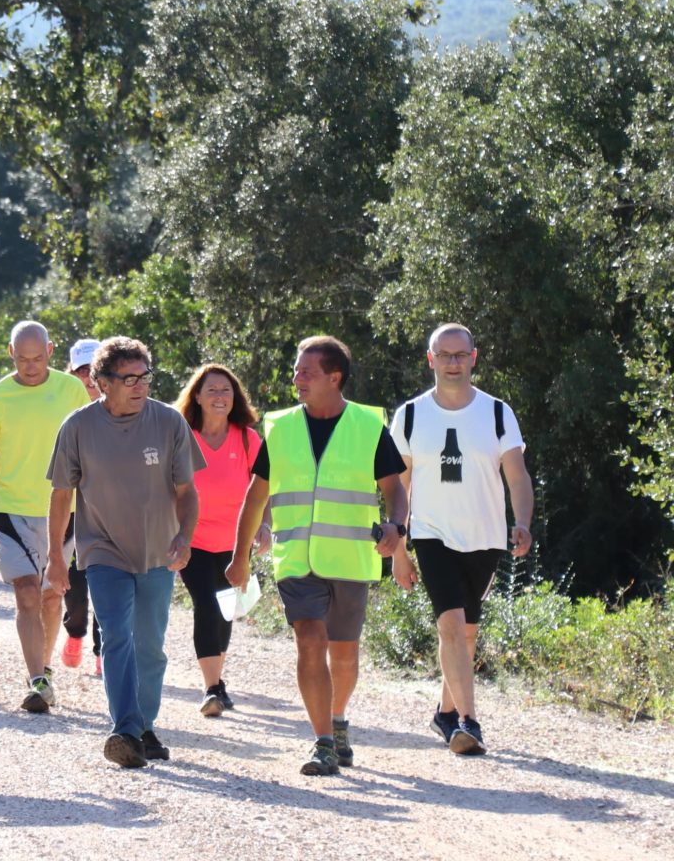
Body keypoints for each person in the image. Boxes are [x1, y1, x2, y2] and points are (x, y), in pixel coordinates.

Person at [225, 335, 410, 777]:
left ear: (334, 377)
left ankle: (338, 719)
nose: (297, 379)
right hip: (296, 560)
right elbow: (255, 497)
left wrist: (396, 527)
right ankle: (323, 741)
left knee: (344, 655)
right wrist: (239, 557)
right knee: (310, 639)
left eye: (306, 372)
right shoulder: (281, 427)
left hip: (350, 559)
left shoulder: (368, 427)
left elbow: (394, 490)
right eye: (296, 370)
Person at [46, 337, 204, 769]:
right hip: (102, 549)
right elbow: (61, 495)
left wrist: (184, 536)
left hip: (158, 551)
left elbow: (187, 492)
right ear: (102, 382)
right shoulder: (78, 427)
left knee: (150, 646)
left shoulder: (169, 422)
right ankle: (126, 730)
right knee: (116, 635)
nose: (140, 386)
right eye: (128, 378)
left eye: (144, 376)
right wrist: (56, 556)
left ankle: (144, 726)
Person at [391, 323, 534, 756]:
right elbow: (398, 488)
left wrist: (522, 522)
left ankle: (445, 713)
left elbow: (517, 477)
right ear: (430, 359)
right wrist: (399, 550)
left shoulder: (497, 413)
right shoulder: (410, 416)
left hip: (486, 538)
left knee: (467, 631)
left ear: (473, 358)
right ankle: (469, 723)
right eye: (444, 355)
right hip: (430, 534)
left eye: (460, 355)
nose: (452, 363)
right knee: (451, 625)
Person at [0, 321, 91, 712]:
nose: (31, 366)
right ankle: (37, 679)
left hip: (65, 509)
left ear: (51, 351)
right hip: (11, 508)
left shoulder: (72, 390)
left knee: (52, 597)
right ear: (11, 353)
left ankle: (45, 669)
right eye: (23, 359)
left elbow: (91, 447)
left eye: (38, 358)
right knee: (26, 593)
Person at [174, 363, 265, 717]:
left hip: (236, 541)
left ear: (235, 397)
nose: (219, 396)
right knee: (206, 605)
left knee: (226, 609)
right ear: (197, 396)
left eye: (226, 390)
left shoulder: (247, 439)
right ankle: (211, 687)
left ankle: (217, 682)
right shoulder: (182, 436)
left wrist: (265, 524)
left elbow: (266, 488)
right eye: (211, 389)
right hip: (192, 538)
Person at [59, 337, 103, 674]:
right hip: (71, 510)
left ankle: (104, 650)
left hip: (109, 512)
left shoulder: (124, 409)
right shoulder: (61, 409)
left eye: (93, 369)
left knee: (108, 579)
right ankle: (75, 631)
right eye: (81, 370)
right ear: (71, 372)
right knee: (73, 582)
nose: (88, 377)